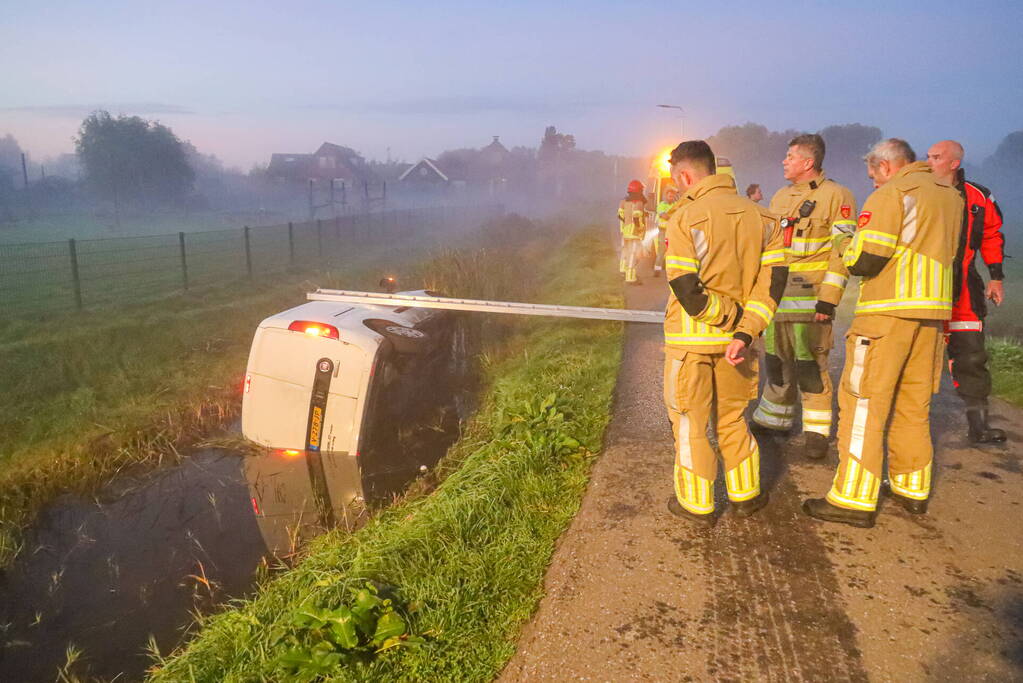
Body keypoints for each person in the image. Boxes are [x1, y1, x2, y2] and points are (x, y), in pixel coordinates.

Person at [803, 139, 963, 528]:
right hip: (931, 317)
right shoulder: (950, 197)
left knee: (864, 404)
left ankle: (853, 499)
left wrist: (843, 241)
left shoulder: (892, 194)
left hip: (886, 316)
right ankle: (911, 488)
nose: (872, 183)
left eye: (873, 175)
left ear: (886, 166)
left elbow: (866, 258)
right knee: (913, 405)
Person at [662, 140, 787, 524]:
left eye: (676, 180)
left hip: (691, 344)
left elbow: (686, 288)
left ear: (685, 176)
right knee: (733, 419)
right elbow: (773, 286)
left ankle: (696, 504)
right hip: (740, 346)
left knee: (690, 421)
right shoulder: (766, 219)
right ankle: (746, 495)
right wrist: (745, 331)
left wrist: (729, 318)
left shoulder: (684, 218)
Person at [750, 134, 858, 459]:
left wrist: (829, 299)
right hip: (777, 299)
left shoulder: (837, 196)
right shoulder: (781, 196)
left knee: (810, 365)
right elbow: (769, 248)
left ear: (808, 162)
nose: (784, 161)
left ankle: (816, 431)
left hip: (812, 300)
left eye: (790, 156)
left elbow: (842, 253)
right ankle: (774, 419)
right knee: (776, 361)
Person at [927, 140, 1007, 443]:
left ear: (954, 163)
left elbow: (991, 235)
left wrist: (996, 278)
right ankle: (909, 428)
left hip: (964, 292)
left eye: (936, 157)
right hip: (923, 289)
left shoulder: (978, 196)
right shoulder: (917, 193)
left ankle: (979, 427)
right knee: (915, 358)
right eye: (928, 156)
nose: (929, 162)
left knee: (972, 357)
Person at [618, 180, 647, 284]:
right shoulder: (639, 203)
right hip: (634, 233)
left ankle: (623, 270)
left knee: (625, 251)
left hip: (625, 231)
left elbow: (620, 216)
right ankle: (630, 277)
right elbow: (636, 217)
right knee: (633, 254)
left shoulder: (623, 202)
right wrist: (640, 229)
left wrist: (626, 225)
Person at [654, 186, 679, 276]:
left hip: (673, 231)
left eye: (672, 196)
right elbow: (664, 216)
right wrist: (673, 217)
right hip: (663, 231)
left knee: (673, 251)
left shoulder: (676, 205)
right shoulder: (662, 205)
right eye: (669, 196)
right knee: (662, 250)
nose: (671, 198)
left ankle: (671, 271)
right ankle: (657, 270)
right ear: (666, 196)